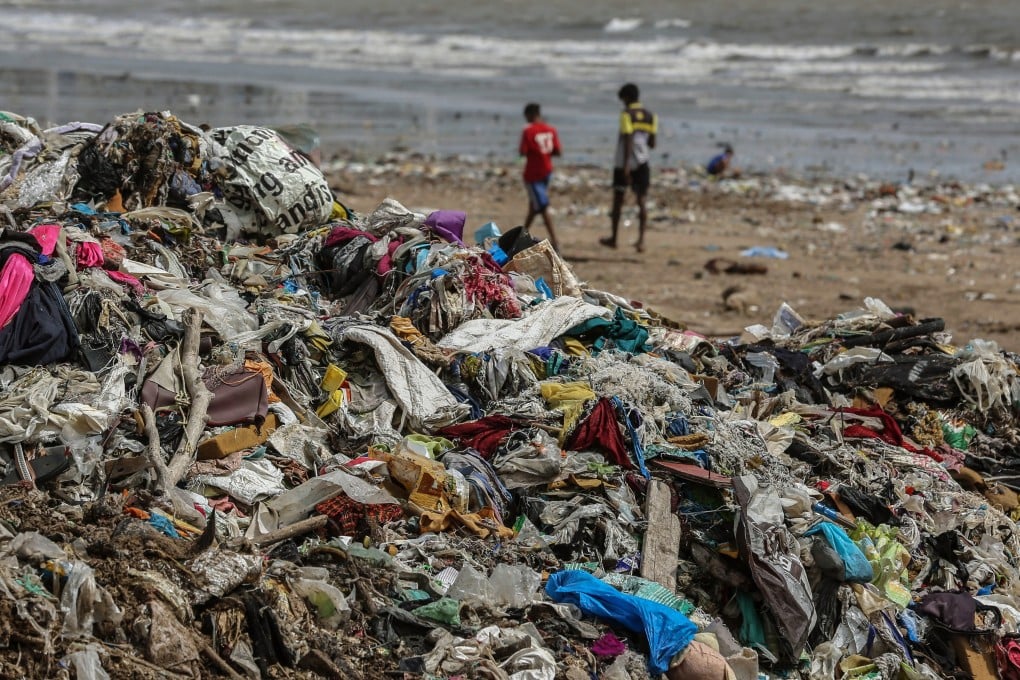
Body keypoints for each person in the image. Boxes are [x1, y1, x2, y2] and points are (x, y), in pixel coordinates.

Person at [601, 83, 657, 253]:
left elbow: (627, 139)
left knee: (618, 200)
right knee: (642, 201)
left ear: (626, 98)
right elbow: (652, 143)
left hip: (624, 163)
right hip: (643, 161)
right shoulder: (650, 115)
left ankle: (614, 238)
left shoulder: (626, 114)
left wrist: (626, 166)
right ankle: (641, 241)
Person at [519, 102, 562, 251]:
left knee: (542, 206)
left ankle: (555, 241)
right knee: (535, 205)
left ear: (530, 115)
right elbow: (557, 151)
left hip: (533, 173)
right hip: (547, 171)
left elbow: (523, 152)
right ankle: (521, 235)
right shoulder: (550, 130)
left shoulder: (529, 131)